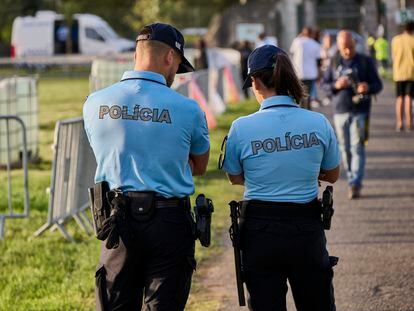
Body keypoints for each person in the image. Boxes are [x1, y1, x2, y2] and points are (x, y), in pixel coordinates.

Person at [83, 22, 210, 310]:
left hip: (117, 221)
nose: (175, 75)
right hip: (169, 221)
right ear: (169, 58)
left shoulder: (94, 103)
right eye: (177, 66)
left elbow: (106, 152)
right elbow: (199, 165)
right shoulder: (188, 108)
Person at [221, 44, 341, 311]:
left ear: (254, 81)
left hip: (259, 230)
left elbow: (235, 177)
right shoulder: (318, 122)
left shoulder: (241, 127)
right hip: (305, 228)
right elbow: (333, 174)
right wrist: (304, 170)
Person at [322, 30, 382, 199]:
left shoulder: (365, 61)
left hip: (361, 110)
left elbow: (378, 84)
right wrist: (336, 85)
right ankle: (350, 176)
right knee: (344, 149)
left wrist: (368, 87)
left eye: (350, 47)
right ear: (339, 46)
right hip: (340, 110)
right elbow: (324, 85)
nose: (347, 51)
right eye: (343, 48)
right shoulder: (334, 61)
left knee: (357, 147)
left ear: (355, 43)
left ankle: (355, 183)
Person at [290, 27, 322, 109]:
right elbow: (318, 61)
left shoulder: (297, 41)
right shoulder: (315, 44)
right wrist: (319, 73)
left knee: (299, 94)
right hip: (310, 73)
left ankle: (301, 109)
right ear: (312, 34)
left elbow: (291, 53)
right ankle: (307, 110)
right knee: (308, 95)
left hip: (298, 72)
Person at [391, 21, 414, 132]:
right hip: (411, 73)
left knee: (399, 98)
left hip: (398, 73)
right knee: (409, 98)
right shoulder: (413, 40)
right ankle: (410, 123)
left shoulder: (396, 40)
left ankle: (399, 123)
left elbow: (393, 55)